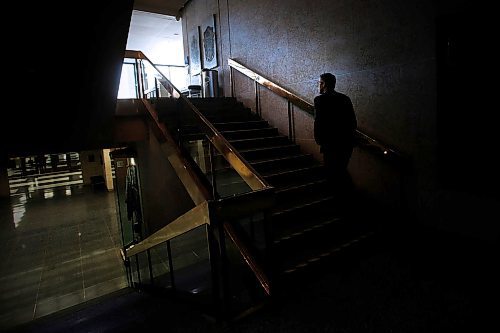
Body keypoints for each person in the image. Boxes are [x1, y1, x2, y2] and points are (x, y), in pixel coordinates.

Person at [314, 73, 357, 194]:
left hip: (330, 143)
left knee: (332, 171)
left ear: (324, 84)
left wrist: (319, 139)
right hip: (346, 143)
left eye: (320, 83)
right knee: (341, 169)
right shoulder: (345, 98)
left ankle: (338, 198)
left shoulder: (320, 100)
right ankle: (347, 195)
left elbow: (319, 122)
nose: (319, 86)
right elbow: (353, 122)